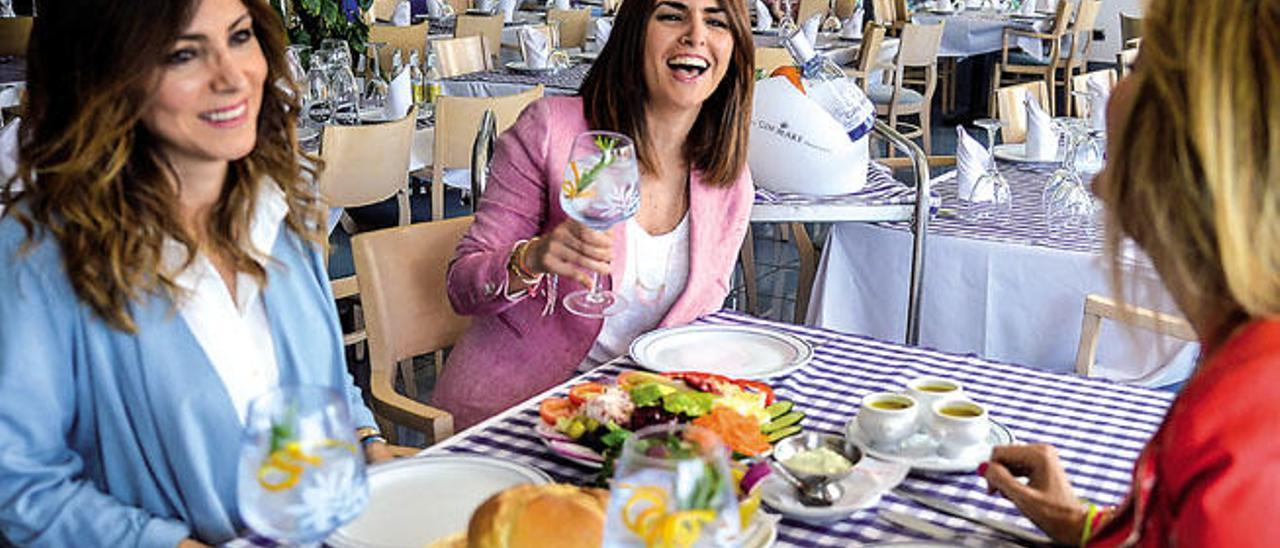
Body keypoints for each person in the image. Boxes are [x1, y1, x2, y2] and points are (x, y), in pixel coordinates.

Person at [0, 0, 392, 546]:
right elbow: (21, 483)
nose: (232, 78)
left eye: (239, 37)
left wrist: (364, 436)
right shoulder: (40, 253)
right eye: (184, 54)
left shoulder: (278, 204)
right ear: (106, 75)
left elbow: (307, 382)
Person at [978, 0, 1280, 544]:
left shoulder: (1247, 434)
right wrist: (1085, 525)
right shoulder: (1245, 353)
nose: (1112, 88)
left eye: (1139, 69)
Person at [434, 0, 756, 428]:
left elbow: (702, 314)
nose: (696, 34)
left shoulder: (728, 183)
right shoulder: (554, 131)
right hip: (519, 414)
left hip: (640, 419)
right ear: (634, 33)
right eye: (672, 15)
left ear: (734, 49)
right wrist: (531, 258)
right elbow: (462, 286)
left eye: (715, 21)